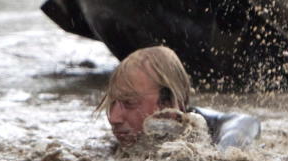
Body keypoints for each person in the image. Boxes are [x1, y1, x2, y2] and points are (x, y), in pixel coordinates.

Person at [96, 46, 260, 150]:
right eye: (112, 103)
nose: (113, 118)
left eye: (129, 102)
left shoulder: (218, 130)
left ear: (168, 103)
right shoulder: (115, 148)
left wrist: (223, 156)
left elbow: (246, 123)